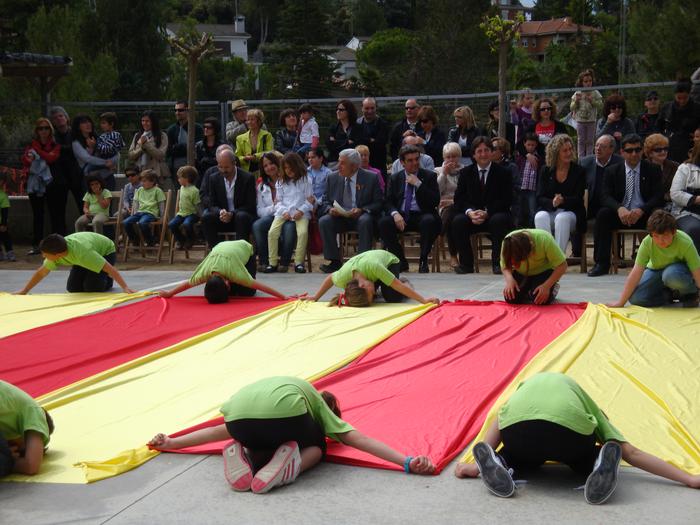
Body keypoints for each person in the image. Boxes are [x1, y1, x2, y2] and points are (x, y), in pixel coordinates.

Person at [149, 376, 434, 494]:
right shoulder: (316, 403)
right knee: (316, 446)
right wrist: (406, 461)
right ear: (329, 410)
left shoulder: (287, 383)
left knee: (253, 433)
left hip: (237, 417)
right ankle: (289, 467)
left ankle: (244, 452)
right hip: (285, 415)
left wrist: (173, 442)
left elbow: (214, 430)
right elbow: (358, 439)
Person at [455, 373, 700, 504]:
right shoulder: (584, 402)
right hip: (567, 437)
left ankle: (497, 462)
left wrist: (470, 466)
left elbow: (502, 417)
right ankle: (598, 462)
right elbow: (632, 453)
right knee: (584, 455)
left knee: (519, 453)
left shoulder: (522, 390)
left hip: (519, 431)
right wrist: (689, 478)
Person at [588, 134, 665, 277]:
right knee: (603, 214)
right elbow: (605, 196)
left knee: (659, 214)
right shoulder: (612, 171)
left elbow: (658, 197)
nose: (634, 154)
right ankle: (602, 264)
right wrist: (619, 208)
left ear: (642, 151)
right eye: (629, 150)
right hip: (621, 215)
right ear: (622, 152)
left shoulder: (653, 169)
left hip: (644, 215)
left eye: (637, 150)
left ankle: (659, 262)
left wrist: (642, 210)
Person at [607, 210, 700, 308]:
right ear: (651, 234)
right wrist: (621, 302)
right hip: (656, 270)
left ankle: (690, 295)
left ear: (674, 232)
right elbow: (636, 272)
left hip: (678, 272)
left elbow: (696, 270)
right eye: (656, 236)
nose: (660, 241)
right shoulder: (647, 242)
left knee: (670, 275)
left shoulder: (684, 241)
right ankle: (667, 296)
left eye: (665, 235)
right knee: (636, 298)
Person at [451, 136, 513, 275]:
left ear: (492, 152)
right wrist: (470, 212)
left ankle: (498, 264)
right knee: (458, 221)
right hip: (472, 216)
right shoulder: (465, 173)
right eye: (479, 151)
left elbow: (507, 199)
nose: (483, 154)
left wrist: (487, 212)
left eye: (486, 150)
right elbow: (459, 199)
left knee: (500, 220)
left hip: (494, 214)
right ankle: (466, 264)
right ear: (474, 155)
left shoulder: (503, 173)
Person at [317, 149, 383, 273]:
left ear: (353, 166)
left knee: (365, 221)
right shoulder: (332, 177)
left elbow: (378, 202)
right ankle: (334, 261)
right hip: (339, 217)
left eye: (342, 163)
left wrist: (362, 210)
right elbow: (325, 200)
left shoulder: (371, 177)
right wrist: (330, 209)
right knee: (324, 221)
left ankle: (362, 262)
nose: (338, 166)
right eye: (339, 162)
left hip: (360, 216)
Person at [157, 240, 287, 302]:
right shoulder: (204, 272)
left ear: (227, 282)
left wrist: (283, 297)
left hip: (245, 249)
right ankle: (231, 289)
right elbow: (187, 284)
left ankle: (234, 289)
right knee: (232, 292)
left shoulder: (236, 273)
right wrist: (169, 293)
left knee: (247, 292)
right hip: (222, 247)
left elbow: (260, 286)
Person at [379, 145, 440, 274]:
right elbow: (387, 201)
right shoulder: (395, 178)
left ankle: (423, 260)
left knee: (429, 221)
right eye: (410, 160)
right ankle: (400, 261)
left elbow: (435, 201)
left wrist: (418, 184)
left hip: (421, 214)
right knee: (384, 223)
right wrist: (395, 214)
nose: (415, 163)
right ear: (402, 162)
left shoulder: (429, 176)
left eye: (417, 159)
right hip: (401, 215)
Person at [15, 232, 134, 294]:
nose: (43, 256)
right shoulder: (55, 254)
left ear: (57, 255)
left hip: (105, 251)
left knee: (92, 288)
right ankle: (92, 272)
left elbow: (109, 268)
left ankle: (107, 280)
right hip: (81, 259)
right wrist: (25, 290)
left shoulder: (84, 253)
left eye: (45, 254)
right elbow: (41, 273)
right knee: (73, 288)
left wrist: (125, 287)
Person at [309, 250, 438, 306]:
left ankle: (403, 281)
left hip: (389, 261)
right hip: (369, 271)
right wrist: (316, 297)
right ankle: (384, 283)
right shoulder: (342, 278)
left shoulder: (375, 267)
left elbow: (397, 286)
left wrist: (424, 300)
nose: (374, 293)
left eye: (371, 292)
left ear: (362, 285)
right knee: (377, 293)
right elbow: (330, 278)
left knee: (392, 297)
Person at [534, 135, 586, 254]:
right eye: (565, 150)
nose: (569, 153)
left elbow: (579, 198)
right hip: (550, 210)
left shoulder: (579, 171)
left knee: (562, 218)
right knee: (540, 216)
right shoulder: (545, 170)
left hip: (571, 213)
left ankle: (558, 258)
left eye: (570, 149)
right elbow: (539, 197)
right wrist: (552, 202)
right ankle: (547, 255)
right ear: (556, 153)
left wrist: (563, 200)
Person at [265, 153, 313, 274]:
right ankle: (272, 263)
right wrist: (284, 211)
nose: (288, 171)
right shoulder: (280, 182)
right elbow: (278, 202)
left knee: (302, 233)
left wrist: (301, 211)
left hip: (301, 213)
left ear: (297, 166)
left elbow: (310, 199)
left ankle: (299, 263)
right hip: (283, 212)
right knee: (272, 232)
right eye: (286, 168)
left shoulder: (306, 180)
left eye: (291, 168)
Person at [201, 148, 257, 249]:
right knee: (207, 218)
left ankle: (241, 252)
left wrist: (232, 213)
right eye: (220, 167)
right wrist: (220, 212)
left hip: (240, 217)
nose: (223, 170)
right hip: (222, 217)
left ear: (234, 163)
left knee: (241, 216)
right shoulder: (213, 178)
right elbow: (212, 204)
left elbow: (250, 205)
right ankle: (216, 252)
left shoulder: (248, 178)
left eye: (226, 167)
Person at [22, 118, 61, 254]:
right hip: (35, 184)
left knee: (54, 214)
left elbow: (51, 158)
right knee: (38, 214)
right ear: (37, 131)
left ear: (50, 130)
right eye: (40, 128)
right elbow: (26, 160)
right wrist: (30, 157)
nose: (43, 131)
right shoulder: (30, 145)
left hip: (51, 183)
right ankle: (37, 245)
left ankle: (56, 245)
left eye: (46, 128)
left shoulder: (55, 145)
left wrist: (37, 150)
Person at [0, 380, 54, 477]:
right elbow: (31, 466)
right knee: (4, 461)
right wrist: (10, 459)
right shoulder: (35, 414)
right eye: (21, 450)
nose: (15, 448)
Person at [252, 151, 296, 271]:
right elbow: (259, 211)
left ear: (277, 163)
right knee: (257, 225)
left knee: (289, 228)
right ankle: (264, 262)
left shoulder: (289, 180)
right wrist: (274, 207)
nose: (269, 167)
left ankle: (284, 263)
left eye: (271, 163)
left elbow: (295, 201)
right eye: (265, 166)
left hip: (289, 215)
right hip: (272, 216)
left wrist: (282, 210)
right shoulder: (261, 186)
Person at [500, 229, 567, 305]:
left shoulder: (545, 239)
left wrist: (547, 286)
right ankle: (529, 290)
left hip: (543, 272)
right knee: (511, 297)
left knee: (541, 300)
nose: (516, 265)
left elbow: (563, 265)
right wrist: (510, 279)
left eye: (520, 260)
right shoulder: (508, 242)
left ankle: (552, 288)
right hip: (521, 273)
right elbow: (505, 266)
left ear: (532, 248)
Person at [579, 135, 623, 220]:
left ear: (611, 149)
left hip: (611, 206)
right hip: (590, 204)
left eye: (602, 146)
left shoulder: (620, 163)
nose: (598, 149)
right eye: (596, 145)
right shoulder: (584, 162)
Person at [436, 142, 465, 268]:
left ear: (459, 157)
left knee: (452, 215)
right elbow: (437, 191)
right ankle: (453, 256)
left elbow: (467, 193)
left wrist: (453, 201)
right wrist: (444, 174)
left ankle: (439, 233)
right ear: (444, 158)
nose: (451, 159)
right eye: (448, 157)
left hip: (462, 205)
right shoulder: (438, 171)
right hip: (444, 206)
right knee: (451, 216)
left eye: (454, 156)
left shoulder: (465, 171)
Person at [49, 106, 82, 214]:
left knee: (83, 206)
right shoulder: (51, 136)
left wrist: (59, 148)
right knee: (58, 210)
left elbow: (76, 151)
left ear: (66, 118)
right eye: (55, 118)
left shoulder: (76, 133)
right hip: (59, 178)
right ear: (53, 122)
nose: (58, 119)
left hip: (76, 175)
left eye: (61, 116)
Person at [658, 80, 700, 163]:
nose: (682, 101)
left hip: (690, 147)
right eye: (679, 98)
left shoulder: (697, 108)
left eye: (685, 98)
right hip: (670, 147)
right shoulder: (667, 108)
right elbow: (658, 126)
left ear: (689, 95)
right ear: (675, 95)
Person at [71, 114, 118, 190]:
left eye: (89, 122)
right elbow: (87, 158)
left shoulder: (99, 138)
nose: (88, 124)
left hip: (107, 177)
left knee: (109, 197)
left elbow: (115, 153)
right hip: (91, 179)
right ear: (78, 127)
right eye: (84, 122)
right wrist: (106, 163)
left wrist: (112, 162)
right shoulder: (76, 143)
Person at [122, 169, 166, 247]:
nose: (142, 183)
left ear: (152, 181)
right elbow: (135, 203)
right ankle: (135, 239)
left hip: (150, 213)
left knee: (142, 223)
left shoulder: (157, 190)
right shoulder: (139, 190)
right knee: (126, 222)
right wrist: (134, 214)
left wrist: (162, 217)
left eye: (144, 181)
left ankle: (150, 240)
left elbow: (161, 205)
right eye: (141, 181)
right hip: (139, 213)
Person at [127, 110, 170, 189]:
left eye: (147, 121)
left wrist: (146, 144)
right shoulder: (137, 135)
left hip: (155, 174)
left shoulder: (162, 136)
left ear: (153, 122)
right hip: (139, 173)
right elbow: (130, 155)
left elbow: (160, 155)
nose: (144, 123)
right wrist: (141, 149)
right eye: (143, 121)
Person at [670, 142, 700, 252]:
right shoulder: (685, 168)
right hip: (687, 212)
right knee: (694, 229)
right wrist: (696, 199)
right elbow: (675, 193)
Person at [166, 101, 204, 183]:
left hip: (194, 166)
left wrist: (178, 147)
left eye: (180, 110)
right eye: (175, 110)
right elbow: (169, 150)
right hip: (176, 167)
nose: (177, 113)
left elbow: (198, 146)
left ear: (187, 111)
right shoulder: (171, 130)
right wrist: (187, 146)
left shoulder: (197, 128)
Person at [570, 69, 603, 157]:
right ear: (581, 82)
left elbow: (601, 105)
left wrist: (592, 101)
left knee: (590, 141)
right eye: (586, 81)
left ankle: (589, 157)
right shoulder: (577, 93)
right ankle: (581, 159)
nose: (588, 83)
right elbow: (571, 107)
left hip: (591, 121)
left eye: (590, 81)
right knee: (581, 141)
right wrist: (576, 101)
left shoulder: (595, 92)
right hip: (580, 121)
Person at [168, 166, 202, 250]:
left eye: (179, 177)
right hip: (181, 214)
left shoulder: (194, 190)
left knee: (187, 224)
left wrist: (201, 216)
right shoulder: (182, 188)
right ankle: (181, 240)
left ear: (186, 178)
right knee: (171, 224)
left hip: (192, 214)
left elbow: (198, 205)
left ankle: (191, 238)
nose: (178, 180)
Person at [644, 133, 679, 209]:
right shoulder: (643, 167)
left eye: (665, 149)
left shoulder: (675, 166)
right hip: (648, 205)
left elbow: (679, 189)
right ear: (650, 153)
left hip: (670, 204)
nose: (663, 152)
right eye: (658, 150)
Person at [513, 133, 541, 228]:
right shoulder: (520, 157)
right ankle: (518, 228)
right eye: (528, 144)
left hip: (533, 189)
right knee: (519, 209)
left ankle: (531, 227)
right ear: (524, 144)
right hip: (521, 187)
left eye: (533, 145)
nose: (530, 147)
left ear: (536, 145)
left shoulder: (539, 157)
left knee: (532, 210)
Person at [357, 97, 389, 176]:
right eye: (367, 108)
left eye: (372, 108)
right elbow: (355, 142)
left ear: (376, 108)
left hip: (378, 166)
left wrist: (363, 140)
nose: (370, 111)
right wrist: (371, 140)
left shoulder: (383, 124)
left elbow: (379, 145)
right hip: (360, 167)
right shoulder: (357, 124)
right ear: (362, 108)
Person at [327, 100, 365, 166]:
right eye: (337, 109)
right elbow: (330, 145)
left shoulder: (358, 128)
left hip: (352, 163)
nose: (338, 111)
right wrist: (347, 142)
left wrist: (336, 142)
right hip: (335, 162)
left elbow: (357, 146)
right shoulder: (333, 128)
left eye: (341, 110)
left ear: (348, 111)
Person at [236, 109, 274, 173]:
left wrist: (255, 157)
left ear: (259, 121)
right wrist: (245, 158)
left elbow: (270, 153)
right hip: (246, 173)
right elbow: (237, 158)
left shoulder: (267, 135)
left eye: (252, 119)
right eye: (248, 120)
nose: (249, 122)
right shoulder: (240, 138)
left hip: (263, 171)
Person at [94, 112, 125, 178]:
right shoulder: (102, 136)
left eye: (104, 123)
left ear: (111, 124)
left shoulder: (115, 135)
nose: (102, 125)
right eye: (101, 123)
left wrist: (95, 145)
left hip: (109, 160)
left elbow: (108, 149)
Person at [0, 184, 14, 262]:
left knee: (6, 238)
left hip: (1, 222)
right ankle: (0, 254)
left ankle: (10, 253)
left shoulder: (3, 196)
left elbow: (5, 211)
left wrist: (3, 224)